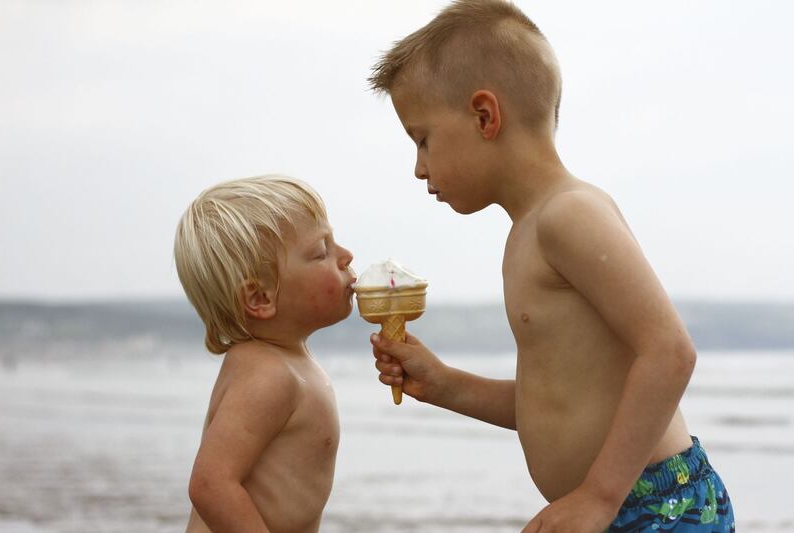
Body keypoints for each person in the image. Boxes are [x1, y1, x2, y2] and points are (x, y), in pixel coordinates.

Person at [367, 1, 734, 531]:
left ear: (484, 116)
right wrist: (446, 385)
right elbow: (555, 406)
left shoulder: (570, 214)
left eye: (422, 139)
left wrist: (599, 496)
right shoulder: (528, 233)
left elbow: (670, 351)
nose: (419, 167)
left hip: (656, 507)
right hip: (616, 504)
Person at [173, 175, 356, 532]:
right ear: (260, 298)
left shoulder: (285, 361)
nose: (346, 256)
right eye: (321, 251)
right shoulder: (267, 374)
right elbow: (211, 485)